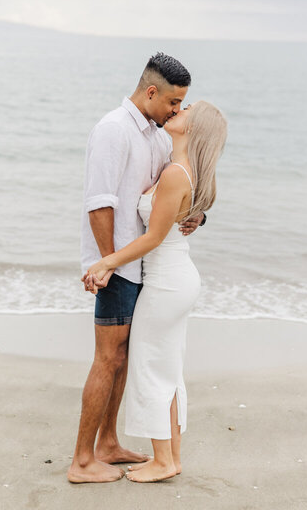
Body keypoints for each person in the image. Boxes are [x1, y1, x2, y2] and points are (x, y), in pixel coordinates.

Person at [67, 53, 206, 484]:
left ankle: (108, 443)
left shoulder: (158, 136)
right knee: (108, 359)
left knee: (124, 359)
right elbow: (99, 202)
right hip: (120, 267)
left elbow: (175, 192)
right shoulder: (113, 130)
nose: (177, 110)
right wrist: (108, 263)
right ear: (152, 92)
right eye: (173, 102)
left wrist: (198, 215)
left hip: (142, 267)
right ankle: (82, 460)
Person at [83, 100, 227, 483]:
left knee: (151, 369)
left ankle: (163, 460)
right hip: (173, 278)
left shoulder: (178, 172)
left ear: (194, 129)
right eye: (179, 103)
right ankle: (171, 458)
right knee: (167, 368)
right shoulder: (176, 163)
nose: (180, 109)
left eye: (187, 109)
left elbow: (153, 238)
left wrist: (106, 262)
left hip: (167, 281)